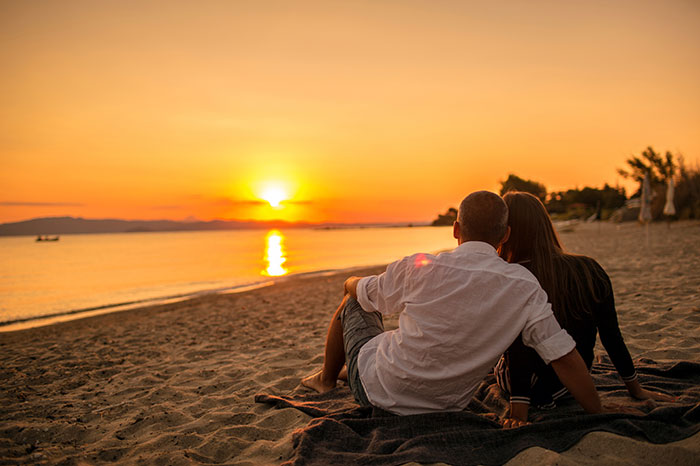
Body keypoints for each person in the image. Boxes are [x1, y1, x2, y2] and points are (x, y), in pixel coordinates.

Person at [302, 191, 607, 426]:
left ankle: (325, 379)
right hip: (445, 403)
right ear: (505, 236)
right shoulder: (523, 286)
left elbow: (368, 294)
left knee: (354, 300)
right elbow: (563, 356)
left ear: (456, 228)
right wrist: (598, 410)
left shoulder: (420, 267)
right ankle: (339, 371)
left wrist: (349, 280)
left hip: (377, 390)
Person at [495, 191, 674, 424]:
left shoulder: (512, 277)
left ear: (507, 232)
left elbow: (517, 349)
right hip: (573, 384)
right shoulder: (590, 269)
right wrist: (635, 388)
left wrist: (519, 412)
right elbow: (612, 336)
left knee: (498, 352)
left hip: (532, 389)